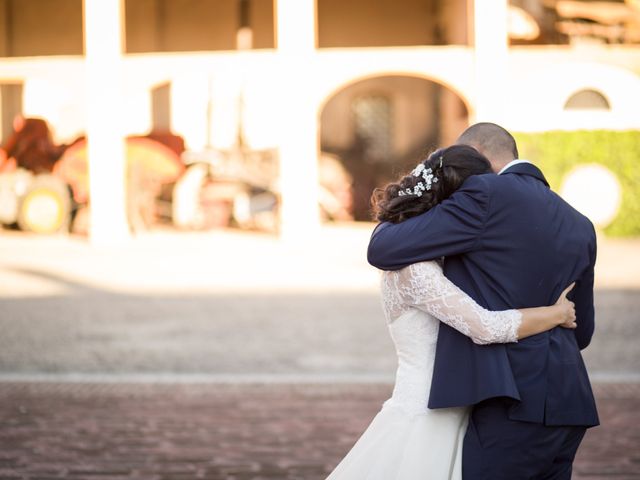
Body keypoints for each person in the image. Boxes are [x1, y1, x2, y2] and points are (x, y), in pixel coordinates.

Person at [326, 145, 578, 480]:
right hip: (429, 418)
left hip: (451, 408)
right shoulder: (415, 270)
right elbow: (486, 327)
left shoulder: (422, 256)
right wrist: (557, 314)